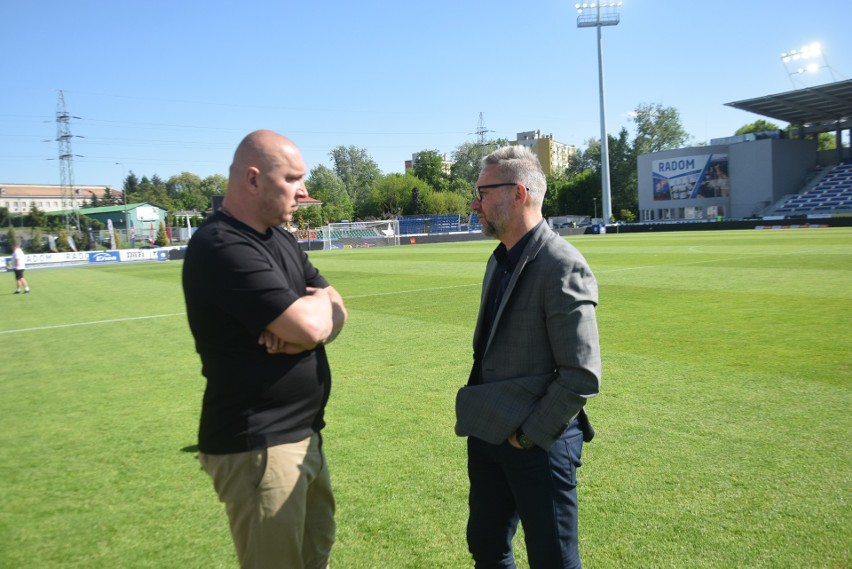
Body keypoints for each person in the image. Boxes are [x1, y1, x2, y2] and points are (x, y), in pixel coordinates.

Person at [182, 130, 347, 569]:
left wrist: (310, 317)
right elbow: (315, 321)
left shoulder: (281, 239)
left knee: (315, 554)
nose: (304, 190)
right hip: (260, 445)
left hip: (304, 433)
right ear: (253, 180)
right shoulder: (221, 245)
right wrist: (311, 315)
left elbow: (338, 310)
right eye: (292, 178)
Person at [455, 145, 601, 569]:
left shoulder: (561, 264)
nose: (475, 203)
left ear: (518, 193)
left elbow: (581, 373)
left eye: (483, 191)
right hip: (489, 431)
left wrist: (528, 436)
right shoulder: (499, 260)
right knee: (486, 544)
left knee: (552, 558)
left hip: (537, 442)